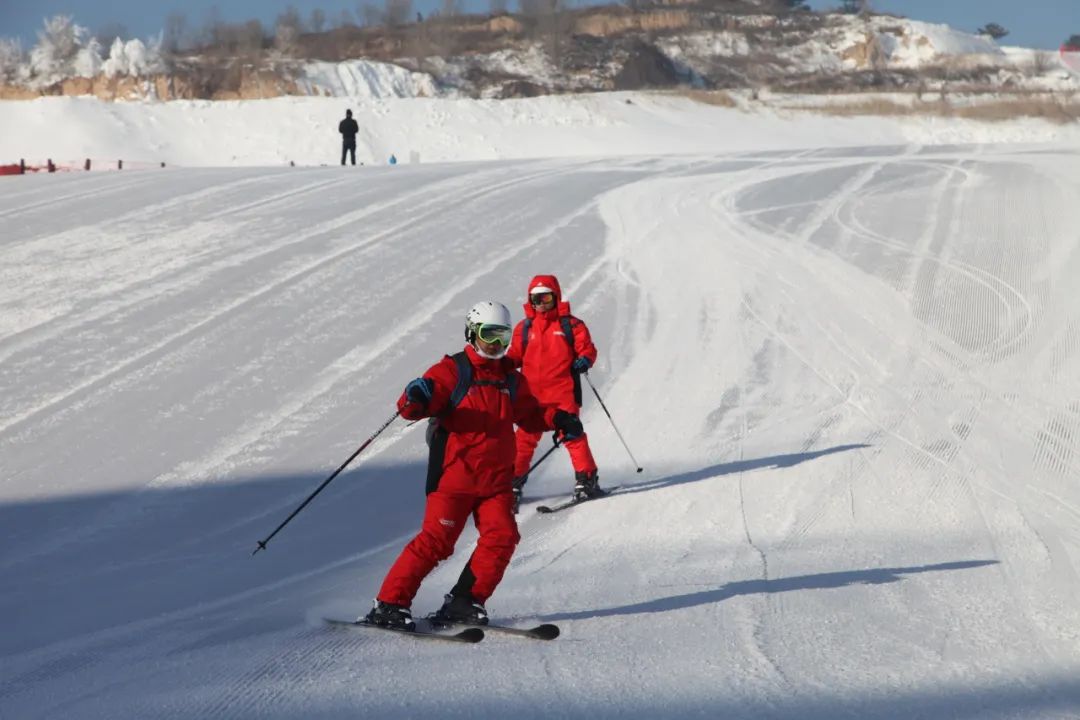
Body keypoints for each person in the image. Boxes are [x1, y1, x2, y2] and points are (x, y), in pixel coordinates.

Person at [364, 301, 583, 630]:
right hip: (455, 477)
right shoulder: (452, 371)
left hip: (495, 483)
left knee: (503, 537)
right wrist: (416, 396)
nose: (496, 344)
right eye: (488, 335)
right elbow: (414, 407)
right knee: (437, 541)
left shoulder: (511, 380)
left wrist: (559, 418)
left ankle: (465, 601)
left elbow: (531, 414)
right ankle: (389, 604)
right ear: (471, 333)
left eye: (503, 336)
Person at [507, 275, 600, 505]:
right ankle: (512, 483)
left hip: (562, 395)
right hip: (531, 398)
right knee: (523, 440)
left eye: (546, 297)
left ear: (556, 296)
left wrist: (584, 360)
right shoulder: (524, 328)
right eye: (535, 298)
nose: (541, 303)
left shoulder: (571, 325)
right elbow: (514, 356)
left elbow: (587, 349)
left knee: (572, 435)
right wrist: (499, 368)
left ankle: (586, 479)